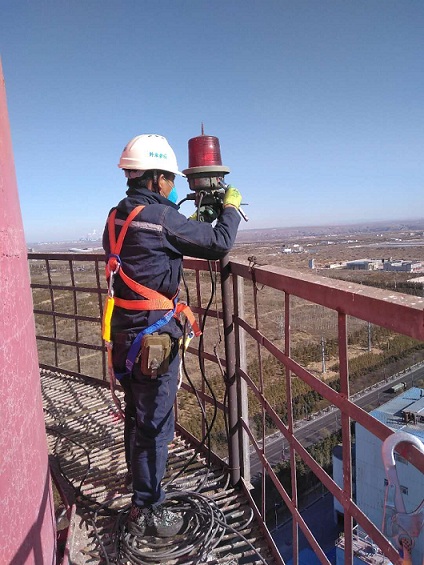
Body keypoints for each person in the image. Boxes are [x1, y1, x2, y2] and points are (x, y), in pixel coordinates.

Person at [102, 133, 242, 537]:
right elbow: (218, 243)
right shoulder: (162, 218)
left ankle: (140, 484)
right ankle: (147, 509)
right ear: (156, 178)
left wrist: (185, 226)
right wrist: (229, 209)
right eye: (169, 178)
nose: (174, 185)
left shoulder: (116, 216)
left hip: (123, 334)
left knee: (136, 412)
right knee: (155, 423)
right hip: (153, 339)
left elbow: (154, 246)